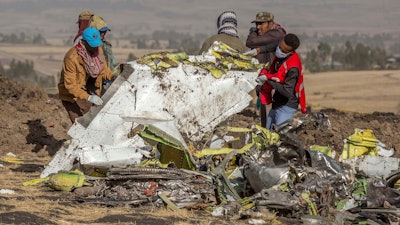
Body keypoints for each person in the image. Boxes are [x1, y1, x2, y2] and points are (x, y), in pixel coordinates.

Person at [58, 27, 115, 123]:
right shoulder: (72, 58)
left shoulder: (97, 50)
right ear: (84, 42)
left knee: (91, 122)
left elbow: (103, 70)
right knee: (79, 125)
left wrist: (113, 77)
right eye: (92, 45)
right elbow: (70, 85)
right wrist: (88, 97)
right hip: (72, 96)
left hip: (88, 90)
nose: (95, 47)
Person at [244, 11, 286, 129]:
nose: (258, 27)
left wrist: (252, 32)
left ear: (270, 23)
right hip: (264, 85)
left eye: (261, 24)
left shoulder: (277, 33)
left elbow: (250, 42)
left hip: (276, 85)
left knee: (276, 122)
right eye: (257, 24)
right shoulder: (263, 37)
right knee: (265, 122)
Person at [256, 33, 306, 130]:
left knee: (280, 136)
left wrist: (268, 79)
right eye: (280, 47)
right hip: (277, 102)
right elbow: (272, 46)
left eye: (283, 50)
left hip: (286, 106)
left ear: (290, 52)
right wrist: (257, 51)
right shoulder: (281, 52)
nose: (279, 50)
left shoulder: (293, 68)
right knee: (268, 132)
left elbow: (287, 91)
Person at [89, 15, 119, 96]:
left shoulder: (106, 46)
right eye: (101, 31)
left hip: (108, 83)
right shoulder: (88, 47)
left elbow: (114, 64)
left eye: (105, 31)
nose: (104, 33)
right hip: (94, 87)